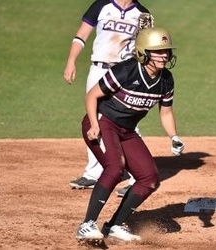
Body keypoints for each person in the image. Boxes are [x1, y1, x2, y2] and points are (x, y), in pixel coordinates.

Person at [75, 27, 185, 243]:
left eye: (167, 51)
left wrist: (174, 137)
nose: (165, 55)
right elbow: (92, 96)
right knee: (115, 167)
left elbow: (166, 112)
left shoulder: (166, 80)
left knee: (149, 178)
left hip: (126, 131)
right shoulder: (127, 71)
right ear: (144, 51)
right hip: (102, 122)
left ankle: (114, 225)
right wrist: (94, 124)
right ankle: (86, 225)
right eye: (159, 51)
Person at [64, 0, 153, 193]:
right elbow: (82, 35)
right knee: (93, 119)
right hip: (98, 69)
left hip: (124, 73)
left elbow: (146, 49)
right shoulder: (101, 6)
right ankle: (93, 173)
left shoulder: (142, 14)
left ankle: (133, 178)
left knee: (128, 121)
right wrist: (71, 61)